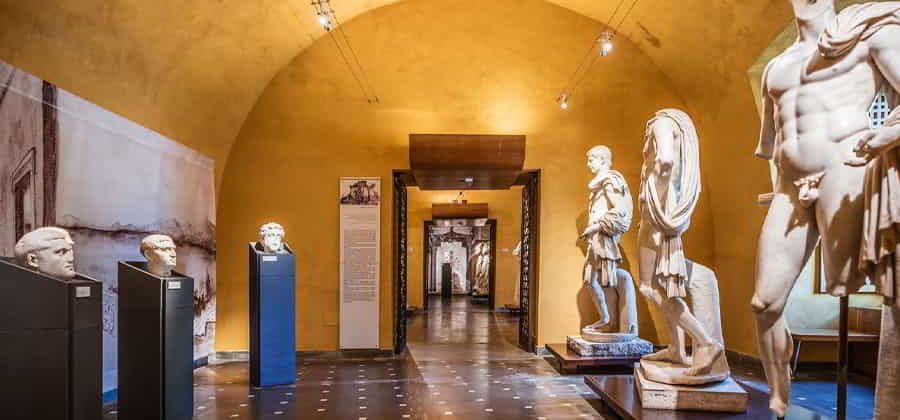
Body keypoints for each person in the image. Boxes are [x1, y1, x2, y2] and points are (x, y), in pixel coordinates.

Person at [752, 1, 900, 415]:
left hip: (846, 169)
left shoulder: (866, 36)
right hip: (788, 187)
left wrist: (886, 137)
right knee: (764, 303)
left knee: (871, 287)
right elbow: (772, 144)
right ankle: (780, 391)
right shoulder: (776, 67)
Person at [580, 145, 638, 335]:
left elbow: (620, 209)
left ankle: (609, 321)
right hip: (596, 238)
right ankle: (606, 319)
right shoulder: (600, 184)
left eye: (591, 160)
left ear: (602, 160)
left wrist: (596, 227)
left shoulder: (609, 181)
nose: (588, 164)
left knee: (602, 280)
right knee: (590, 280)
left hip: (603, 236)